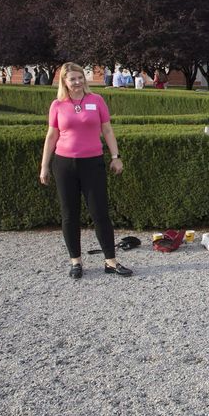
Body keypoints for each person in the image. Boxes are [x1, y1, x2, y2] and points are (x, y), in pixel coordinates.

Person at [39, 62, 131, 279]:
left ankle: (110, 261)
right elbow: (51, 136)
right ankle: (76, 261)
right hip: (64, 165)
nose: (77, 82)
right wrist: (44, 166)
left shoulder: (96, 100)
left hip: (92, 163)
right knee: (69, 215)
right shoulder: (57, 105)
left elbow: (107, 130)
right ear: (64, 81)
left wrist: (116, 157)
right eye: (72, 79)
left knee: (100, 213)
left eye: (80, 77)